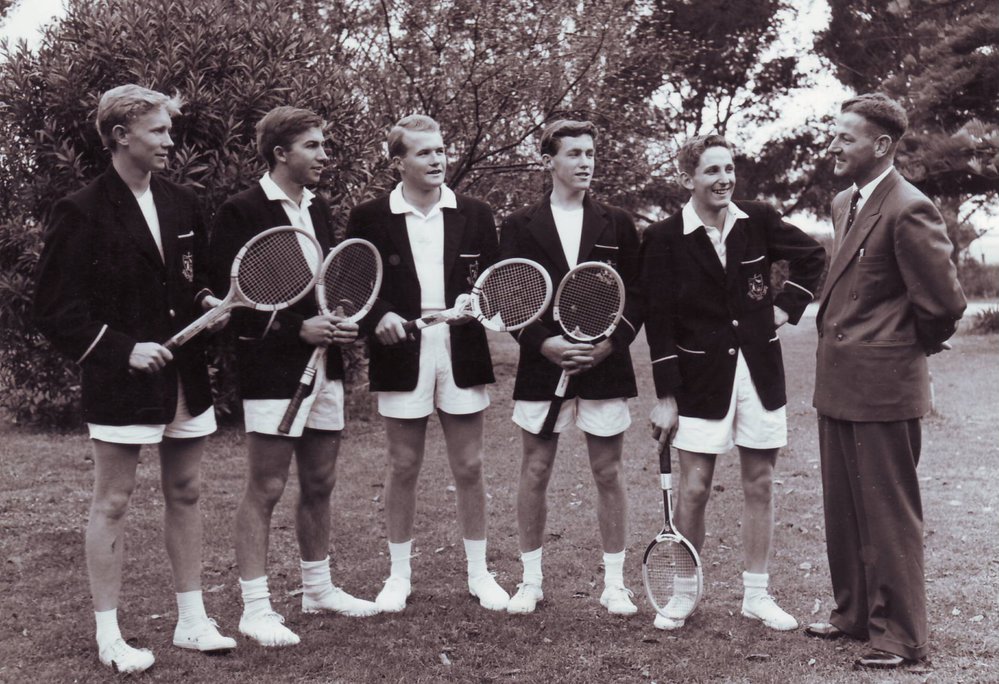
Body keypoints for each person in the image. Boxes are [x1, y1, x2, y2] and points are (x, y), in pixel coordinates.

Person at [32, 84, 236, 674]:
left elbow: (189, 282)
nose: (172, 141)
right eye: (160, 131)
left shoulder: (181, 202)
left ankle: (193, 621)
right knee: (114, 501)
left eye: (170, 131)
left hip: (184, 378)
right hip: (120, 381)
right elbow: (54, 309)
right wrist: (123, 350)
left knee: (188, 492)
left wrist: (209, 300)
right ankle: (109, 635)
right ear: (121, 136)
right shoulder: (80, 209)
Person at [641, 134, 825, 631]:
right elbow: (658, 321)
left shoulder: (757, 219)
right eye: (712, 171)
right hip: (699, 381)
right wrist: (666, 396)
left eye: (729, 169)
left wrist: (786, 307)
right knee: (695, 488)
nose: (724, 179)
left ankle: (756, 596)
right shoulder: (661, 238)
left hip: (759, 375)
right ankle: (683, 594)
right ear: (688, 179)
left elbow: (812, 257)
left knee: (760, 482)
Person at [808, 93, 966, 669]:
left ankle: (901, 636)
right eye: (834, 134)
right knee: (844, 505)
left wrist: (899, 347)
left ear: (881, 146)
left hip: (883, 384)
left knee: (888, 512)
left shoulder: (909, 208)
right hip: (838, 382)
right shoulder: (844, 201)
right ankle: (853, 613)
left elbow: (944, 303)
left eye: (844, 137)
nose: (833, 145)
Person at [210, 106, 377, 648]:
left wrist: (338, 321)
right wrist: (295, 330)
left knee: (320, 482)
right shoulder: (241, 211)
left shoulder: (319, 210)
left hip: (323, 368)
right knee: (266, 486)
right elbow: (228, 302)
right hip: (271, 371)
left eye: (324, 145)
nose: (324, 155)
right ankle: (255, 609)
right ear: (281, 153)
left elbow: (323, 288)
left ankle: (317, 589)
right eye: (313, 146)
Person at [346, 114, 509, 613]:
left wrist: (475, 306)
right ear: (398, 162)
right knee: (403, 465)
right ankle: (399, 576)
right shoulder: (370, 216)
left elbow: (497, 286)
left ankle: (480, 574)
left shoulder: (476, 213)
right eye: (424, 153)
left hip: (459, 351)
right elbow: (352, 286)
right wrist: (379, 318)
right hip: (403, 352)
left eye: (440, 150)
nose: (437, 159)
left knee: (470, 464)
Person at [499, 119, 643, 616]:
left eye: (590, 153)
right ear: (549, 161)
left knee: (608, 471)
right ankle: (530, 581)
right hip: (544, 366)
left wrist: (606, 346)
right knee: (535, 469)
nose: (585, 162)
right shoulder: (518, 225)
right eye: (574, 153)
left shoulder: (618, 222)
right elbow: (508, 296)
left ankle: (616, 585)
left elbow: (637, 295)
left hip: (604, 365)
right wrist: (545, 345)